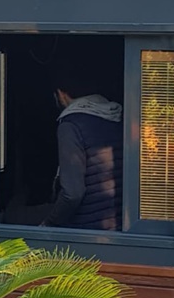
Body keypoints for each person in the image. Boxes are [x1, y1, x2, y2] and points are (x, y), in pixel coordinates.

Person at [39, 71, 123, 230]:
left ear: (61, 94)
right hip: (117, 223)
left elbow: (72, 194)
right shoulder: (115, 116)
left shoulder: (70, 126)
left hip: (85, 229)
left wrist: (49, 223)